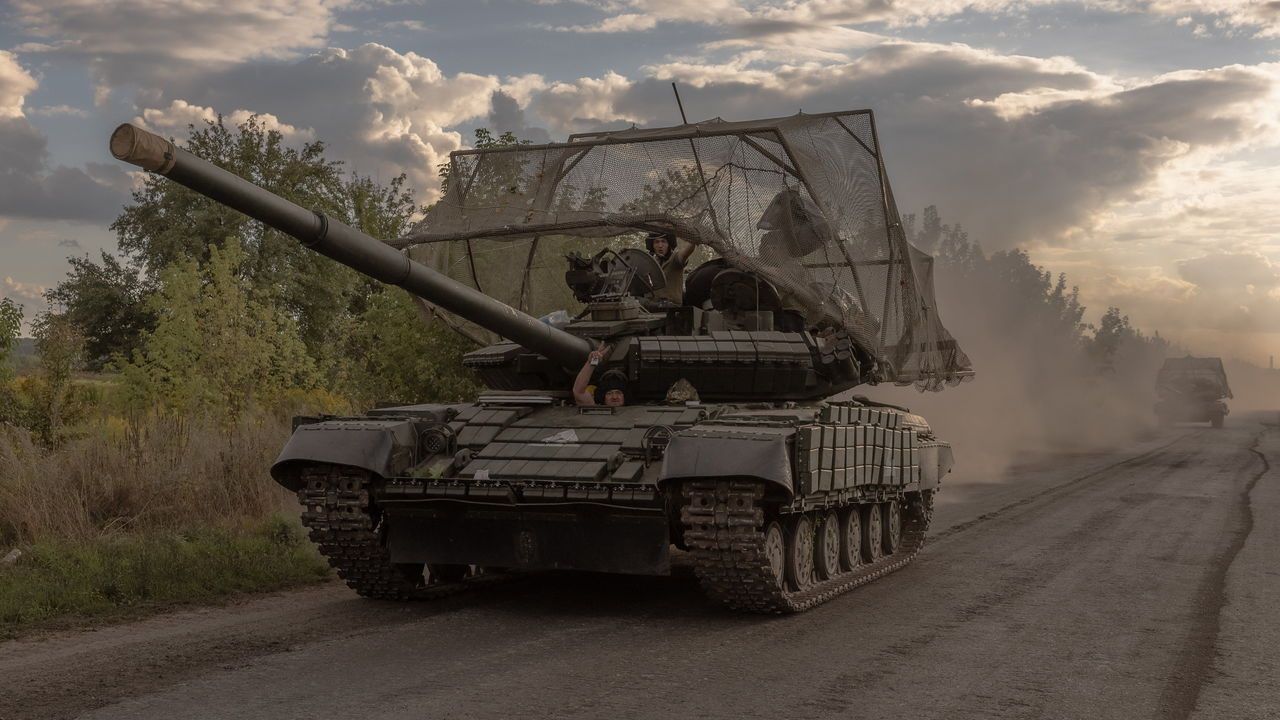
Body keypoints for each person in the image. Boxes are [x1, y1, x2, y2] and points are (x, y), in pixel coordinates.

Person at [646, 230, 696, 304]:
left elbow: (688, 249)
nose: (660, 245)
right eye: (656, 242)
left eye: (663, 241)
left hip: (672, 308)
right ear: (652, 246)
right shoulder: (650, 262)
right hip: (652, 308)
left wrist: (692, 238)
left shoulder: (675, 259)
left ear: (668, 244)